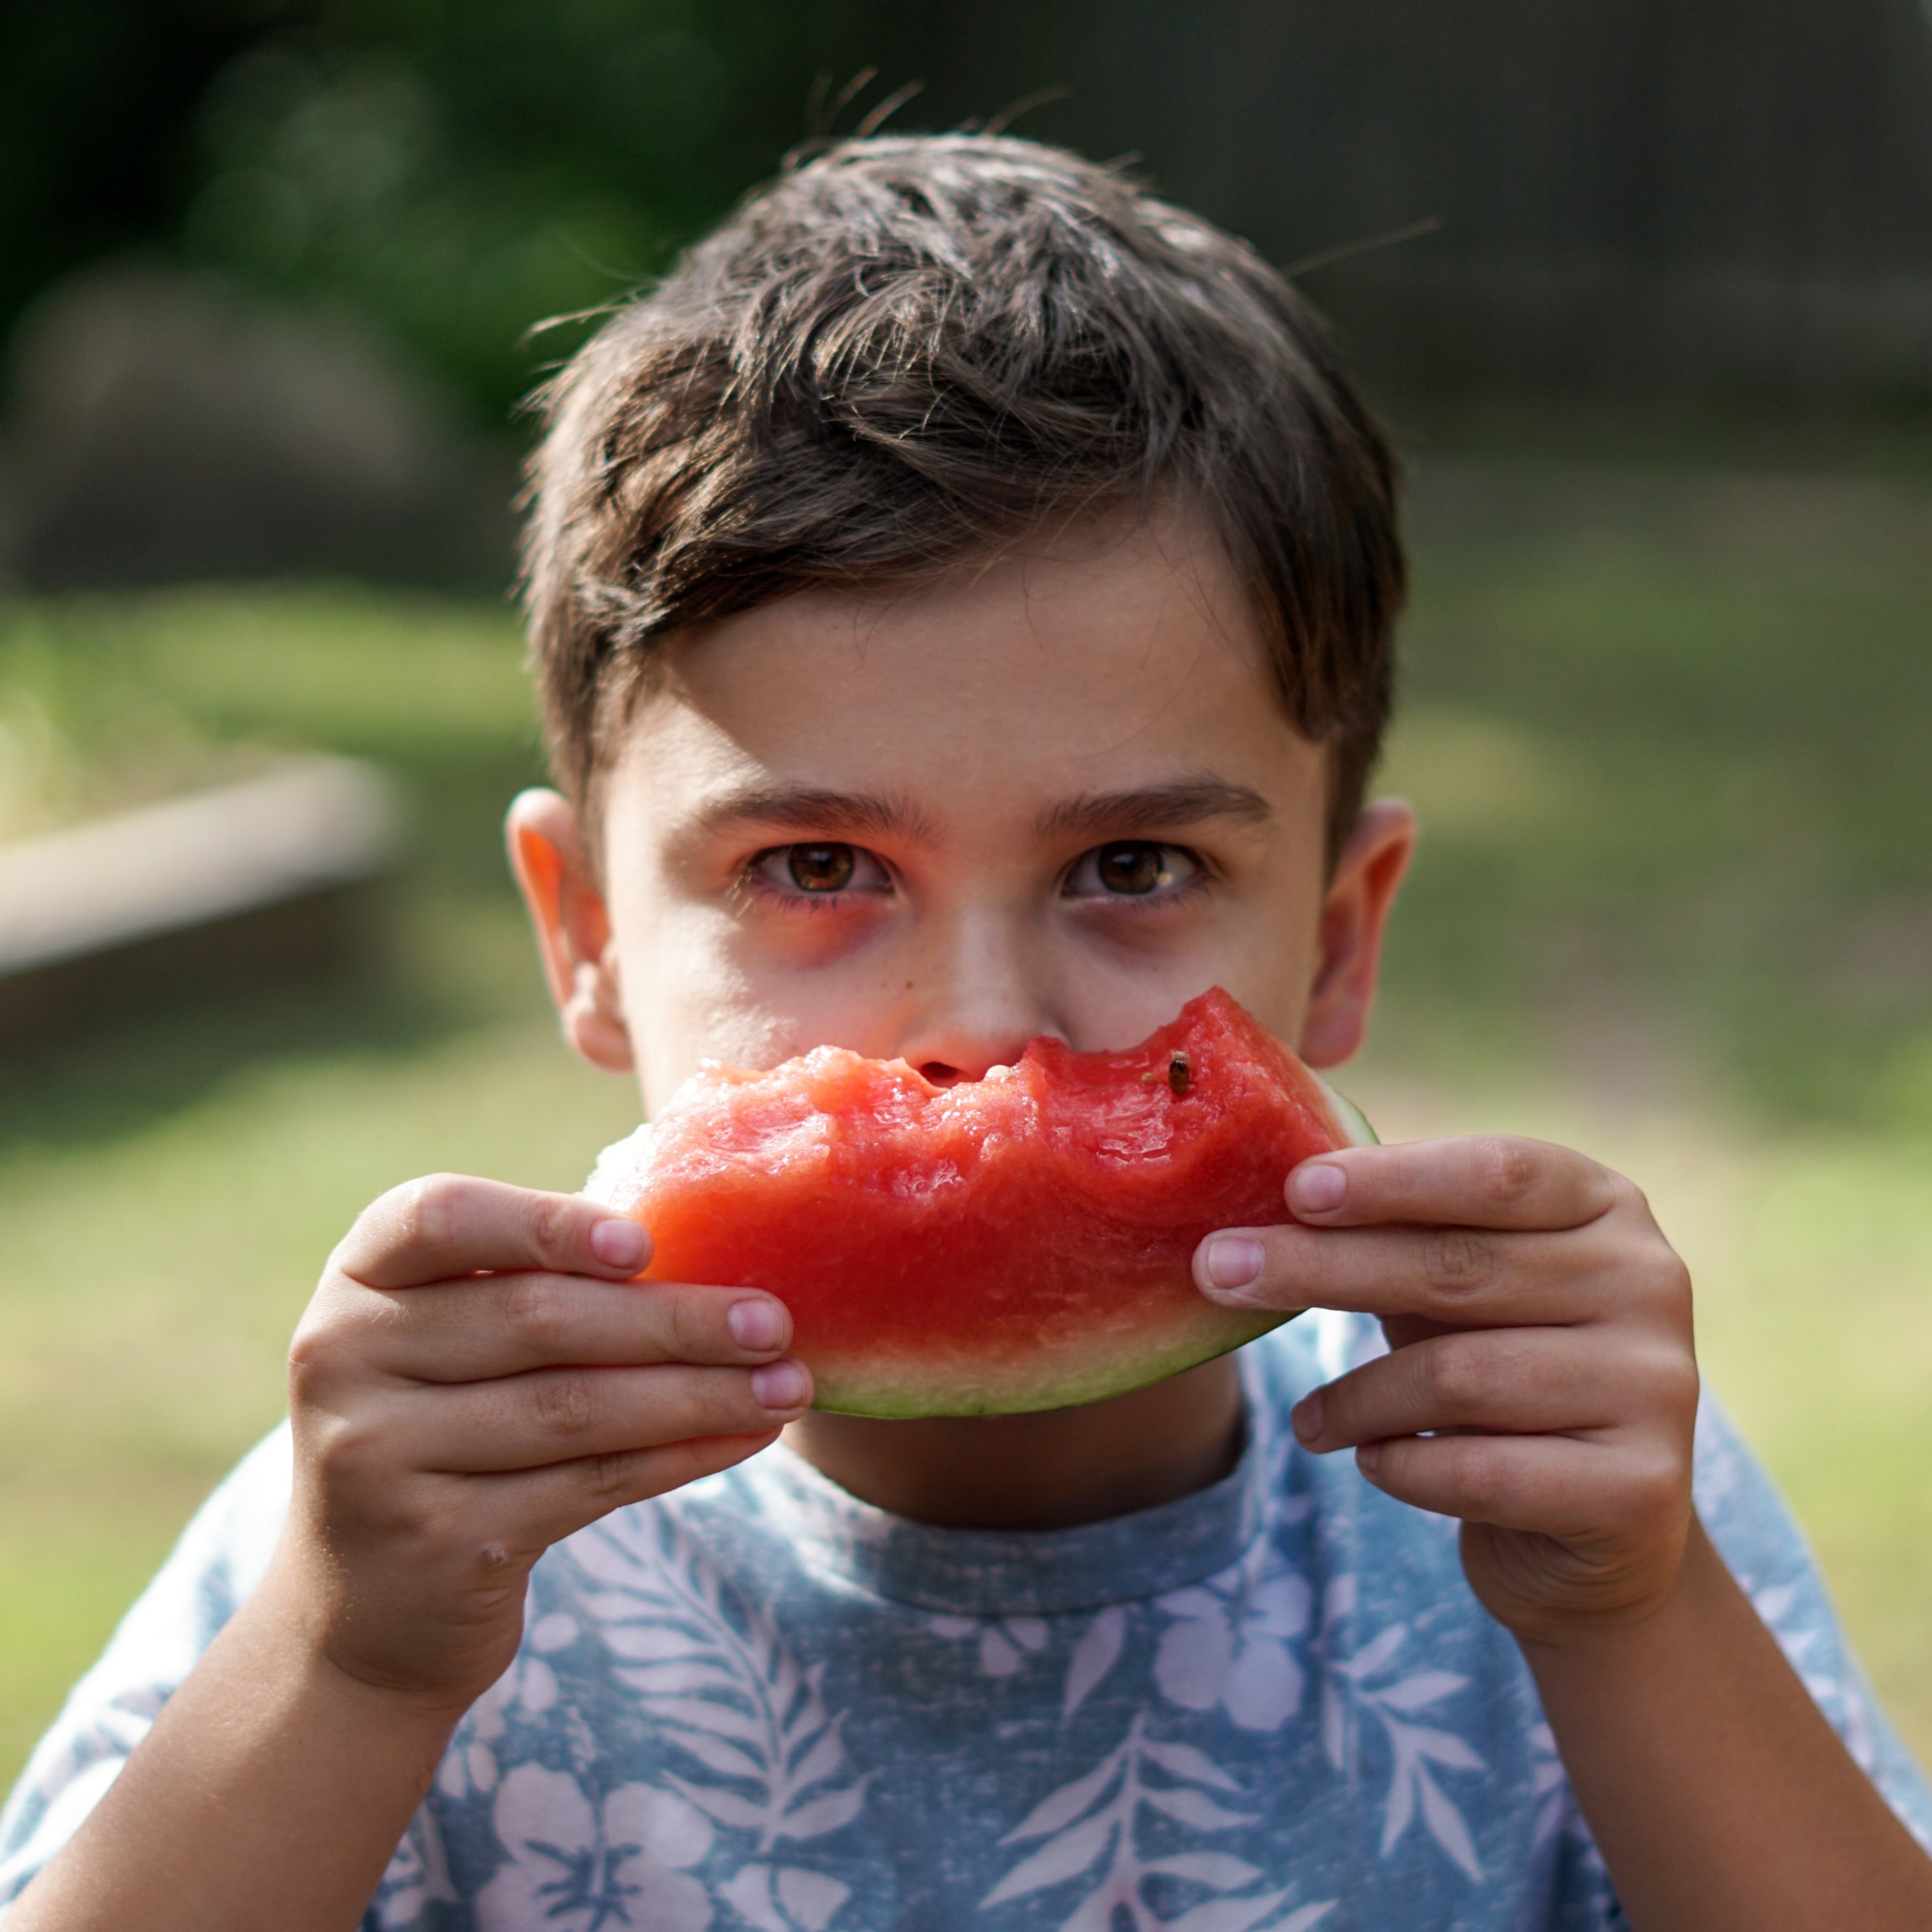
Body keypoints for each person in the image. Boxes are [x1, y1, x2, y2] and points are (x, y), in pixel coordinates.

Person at [2, 133, 1929, 1932]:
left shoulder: (1542, 1498)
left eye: (1134, 866)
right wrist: (344, 1664)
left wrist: (1637, 1617)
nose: (982, 1028)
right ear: (584, 937)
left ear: (1339, 942)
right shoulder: (409, 1534)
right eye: (819, 862)